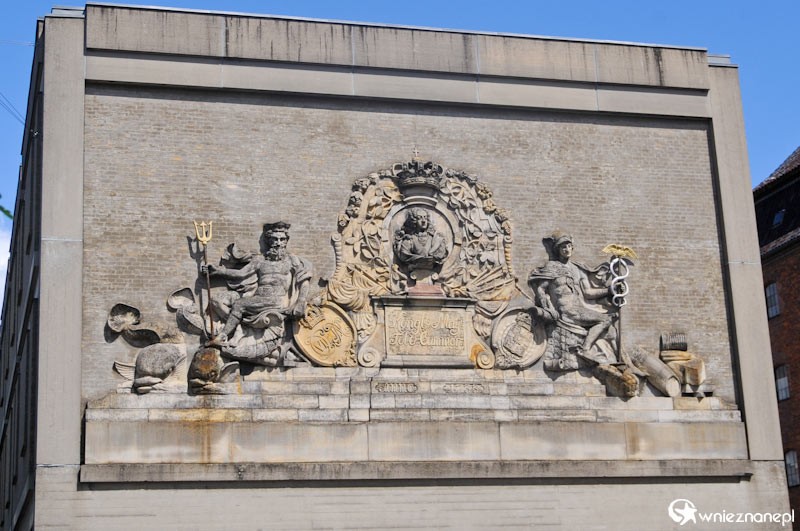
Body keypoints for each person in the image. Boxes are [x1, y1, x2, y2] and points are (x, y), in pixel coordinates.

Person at [202, 222, 311, 346]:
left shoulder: (291, 260)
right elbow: (241, 274)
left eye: (282, 239)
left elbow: (304, 279)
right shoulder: (259, 260)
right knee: (220, 299)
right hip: (258, 298)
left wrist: (301, 301)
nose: (278, 243)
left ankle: (223, 336)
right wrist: (218, 271)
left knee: (239, 304)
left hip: (276, 300)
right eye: (275, 239)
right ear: (268, 240)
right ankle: (237, 328)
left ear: (286, 241)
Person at [529, 232, 615, 359]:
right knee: (605, 320)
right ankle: (585, 350)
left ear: (572, 248)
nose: (567, 249)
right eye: (563, 247)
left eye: (569, 246)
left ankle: (617, 360)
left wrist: (609, 291)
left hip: (579, 309)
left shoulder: (576, 269)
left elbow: (588, 293)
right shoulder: (552, 267)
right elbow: (541, 289)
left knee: (612, 331)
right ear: (558, 250)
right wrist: (549, 308)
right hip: (567, 311)